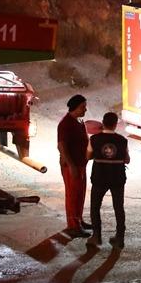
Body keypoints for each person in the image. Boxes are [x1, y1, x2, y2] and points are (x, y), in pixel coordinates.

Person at [88, 111, 131, 248]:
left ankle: (96, 236)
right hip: (117, 178)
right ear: (115, 125)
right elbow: (127, 160)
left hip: (99, 177)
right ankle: (119, 238)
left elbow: (88, 156)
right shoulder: (123, 140)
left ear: (103, 122)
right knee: (118, 208)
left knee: (95, 207)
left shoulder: (94, 139)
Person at [57, 94, 91, 236]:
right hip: (72, 165)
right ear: (75, 108)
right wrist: (71, 166)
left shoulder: (78, 121)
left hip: (80, 163)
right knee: (72, 195)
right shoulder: (65, 124)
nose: (85, 109)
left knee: (80, 194)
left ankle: (79, 220)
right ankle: (73, 226)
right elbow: (62, 146)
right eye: (83, 107)